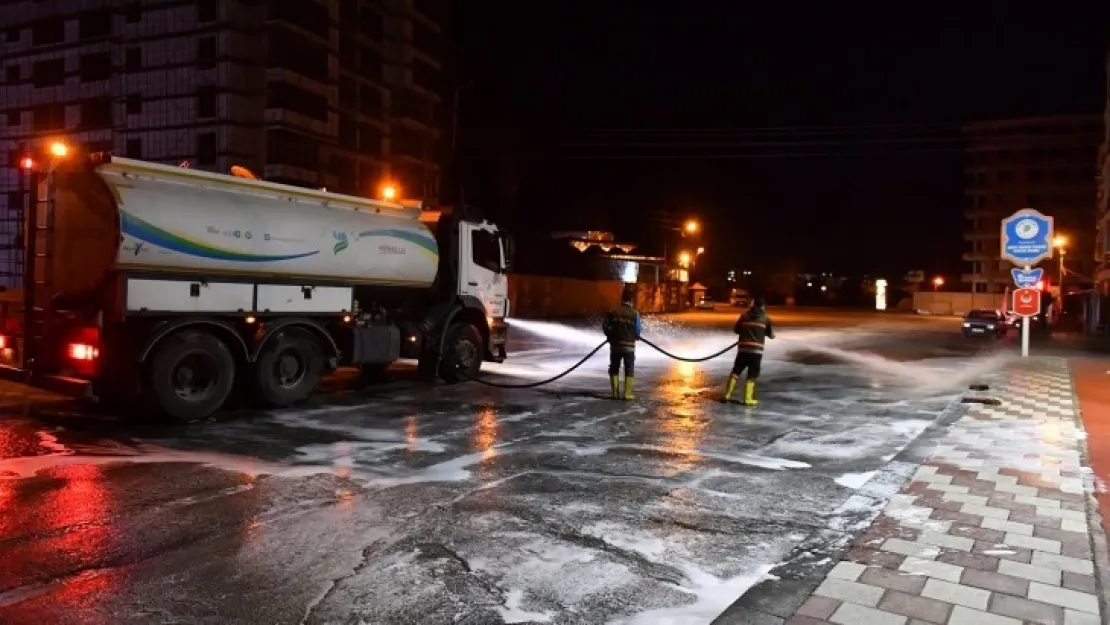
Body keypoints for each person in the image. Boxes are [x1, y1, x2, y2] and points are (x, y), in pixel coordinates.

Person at [724, 296, 774, 406]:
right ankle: (748, 399)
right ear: (763, 307)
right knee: (752, 374)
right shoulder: (766, 319)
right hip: (756, 352)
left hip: (742, 349)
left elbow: (736, 329)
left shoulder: (744, 316)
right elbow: (771, 335)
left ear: (753, 305)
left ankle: (727, 395)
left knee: (736, 371)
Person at [602, 290, 642, 400]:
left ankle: (614, 393)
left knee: (614, 367)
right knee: (629, 368)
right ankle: (627, 394)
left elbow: (605, 326)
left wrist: (609, 335)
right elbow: (638, 331)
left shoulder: (612, 311)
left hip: (615, 346)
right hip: (629, 347)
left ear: (622, 299)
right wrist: (636, 336)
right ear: (631, 300)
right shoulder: (635, 313)